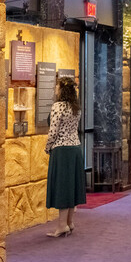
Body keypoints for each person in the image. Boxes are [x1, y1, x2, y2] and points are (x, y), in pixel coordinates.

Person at [45, 77, 86, 237]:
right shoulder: (76, 108)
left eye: (57, 86)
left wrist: (47, 147)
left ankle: (62, 225)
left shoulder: (58, 107)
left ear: (62, 89)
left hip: (61, 150)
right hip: (75, 149)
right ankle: (69, 222)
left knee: (62, 187)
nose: (55, 89)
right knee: (71, 186)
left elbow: (53, 131)